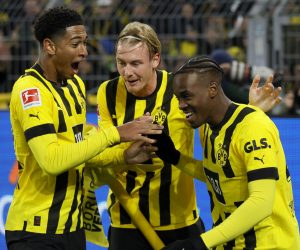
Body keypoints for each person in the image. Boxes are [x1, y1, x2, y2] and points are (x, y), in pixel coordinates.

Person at [95, 21, 283, 250]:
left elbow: (222, 127)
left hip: (180, 219)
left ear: (155, 59)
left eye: (135, 63)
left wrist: (252, 111)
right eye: (121, 63)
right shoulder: (108, 92)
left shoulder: (181, 89)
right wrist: (126, 153)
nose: (127, 72)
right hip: (126, 220)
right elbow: (102, 151)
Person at [5, 7, 163, 250]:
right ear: (50, 46)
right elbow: (52, 161)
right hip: (35, 233)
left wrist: (123, 156)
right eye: (76, 43)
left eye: (85, 43)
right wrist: (117, 134)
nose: (85, 52)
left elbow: (82, 152)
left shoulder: (75, 85)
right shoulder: (30, 91)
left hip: (73, 229)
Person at [152, 56, 300, 249]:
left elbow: (261, 202)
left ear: (212, 89)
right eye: (178, 98)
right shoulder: (207, 128)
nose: (180, 105)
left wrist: (201, 243)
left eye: (186, 96)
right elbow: (220, 176)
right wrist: (173, 156)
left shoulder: (254, 127)